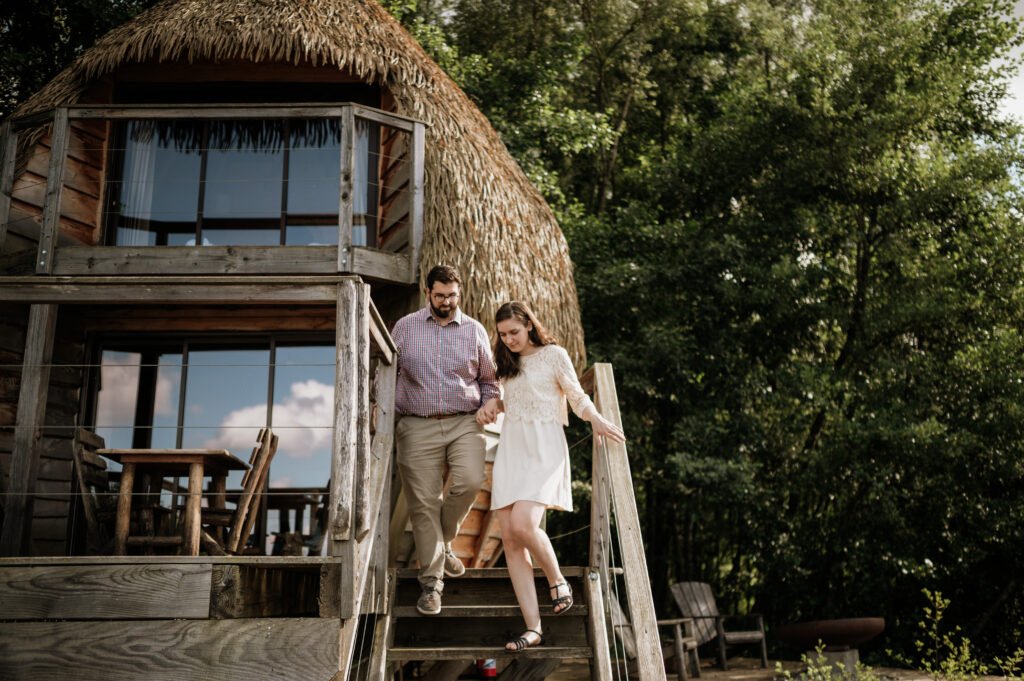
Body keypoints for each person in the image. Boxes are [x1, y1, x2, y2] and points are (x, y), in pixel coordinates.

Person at [477, 301, 626, 652]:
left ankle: (557, 581)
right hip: (512, 449)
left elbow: (576, 395)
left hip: (545, 447)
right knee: (511, 539)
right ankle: (533, 628)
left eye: (514, 332)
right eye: (502, 335)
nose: (509, 339)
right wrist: (491, 404)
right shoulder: (505, 365)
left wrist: (597, 420)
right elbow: (504, 400)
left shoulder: (554, 355)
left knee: (526, 523)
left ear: (529, 324)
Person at [391, 264, 499, 616]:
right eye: (440, 296)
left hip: (464, 421)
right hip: (417, 425)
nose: (447, 302)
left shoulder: (474, 330)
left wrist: (488, 406)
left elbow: (490, 381)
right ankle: (432, 586)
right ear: (428, 294)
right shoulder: (405, 328)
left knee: (469, 481)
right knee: (423, 505)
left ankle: (445, 540)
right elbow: (387, 373)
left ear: (459, 293)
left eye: (452, 296)